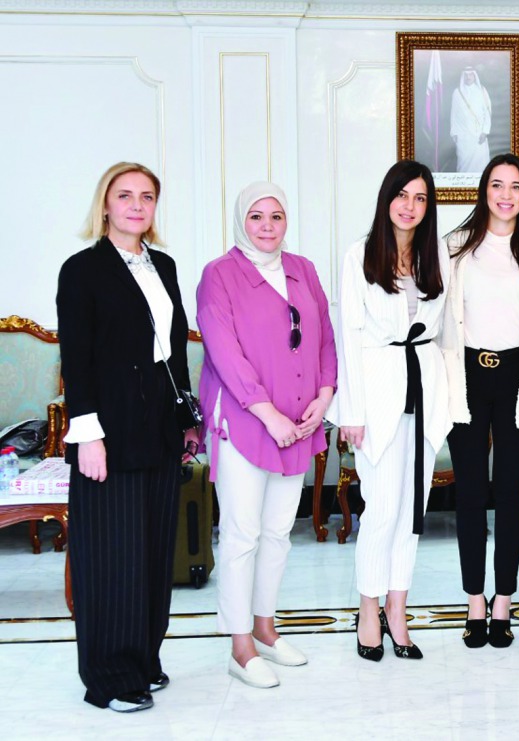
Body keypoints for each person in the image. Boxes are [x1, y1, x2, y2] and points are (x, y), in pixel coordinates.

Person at [57, 162, 200, 712]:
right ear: (106, 205)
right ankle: (110, 678)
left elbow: (174, 350)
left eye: (147, 197)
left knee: (151, 551)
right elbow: (78, 360)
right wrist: (87, 435)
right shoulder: (82, 270)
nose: (137, 205)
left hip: (159, 429)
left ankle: (144, 658)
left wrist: (186, 420)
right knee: (110, 557)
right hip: (108, 434)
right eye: (125, 196)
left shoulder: (163, 265)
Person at [196, 182, 337, 689]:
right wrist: (267, 414)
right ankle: (239, 647)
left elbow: (324, 336)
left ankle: (265, 629)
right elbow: (223, 351)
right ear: (241, 220)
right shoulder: (219, 275)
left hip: (299, 423)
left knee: (279, 533)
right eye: (256, 216)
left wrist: (324, 395)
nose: (268, 225)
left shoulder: (304, 269)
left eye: (277, 216)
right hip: (246, 423)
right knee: (241, 535)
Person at [331, 160, 451, 662]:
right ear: (387, 199)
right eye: (403, 195)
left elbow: (445, 334)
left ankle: (398, 610)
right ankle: (368, 610)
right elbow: (348, 339)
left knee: (411, 513)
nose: (410, 206)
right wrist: (351, 411)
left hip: (424, 390)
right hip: (377, 392)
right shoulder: (360, 255)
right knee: (380, 510)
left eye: (421, 198)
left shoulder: (435, 254)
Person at [443, 154, 519, 648]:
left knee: (509, 493)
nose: (505, 195)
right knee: (468, 494)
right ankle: (474, 604)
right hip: (465, 377)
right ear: (483, 190)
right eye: (496, 185)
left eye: (516, 188)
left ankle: (504, 602)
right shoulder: (454, 247)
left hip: (516, 380)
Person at [450, 67, 492, 172]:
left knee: (481, 165)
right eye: (466, 75)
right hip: (463, 137)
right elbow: (453, 114)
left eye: (471, 75)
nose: (468, 77)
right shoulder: (457, 92)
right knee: (463, 166)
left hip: (479, 136)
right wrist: (454, 132)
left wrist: (485, 131)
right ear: (463, 76)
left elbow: (487, 112)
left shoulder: (482, 91)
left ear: (474, 76)